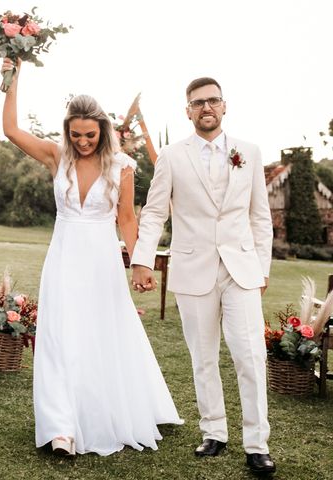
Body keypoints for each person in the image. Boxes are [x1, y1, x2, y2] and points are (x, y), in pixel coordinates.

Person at [1, 58, 183, 456]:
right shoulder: (55, 156)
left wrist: (141, 263)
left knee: (102, 336)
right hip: (64, 258)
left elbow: (127, 219)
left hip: (102, 260)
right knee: (58, 339)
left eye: (90, 135)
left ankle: (108, 411)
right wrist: (13, 77)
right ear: (67, 131)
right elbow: (11, 130)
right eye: (76, 134)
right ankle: (61, 428)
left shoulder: (122, 167)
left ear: (103, 130)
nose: (83, 142)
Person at [131, 77, 275, 475]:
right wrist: (142, 259)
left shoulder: (249, 152)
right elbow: (155, 211)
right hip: (193, 268)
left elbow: (259, 216)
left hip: (241, 270)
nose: (206, 107)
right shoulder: (172, 156)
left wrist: (261, 267)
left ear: (224, 106)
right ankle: (213, 431)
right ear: (187, 111)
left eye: (213, 100)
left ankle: (256, 443)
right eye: (198, 103)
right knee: (203, 357)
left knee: (250, 355)